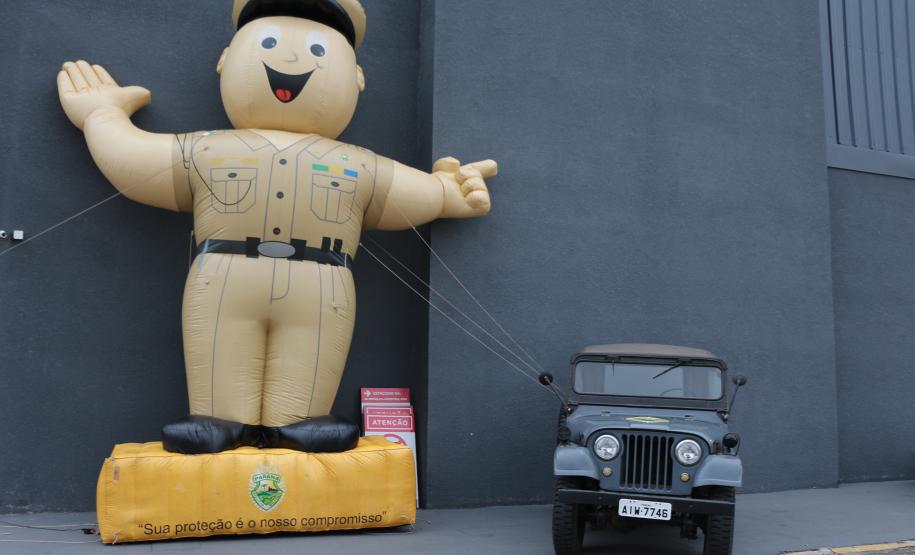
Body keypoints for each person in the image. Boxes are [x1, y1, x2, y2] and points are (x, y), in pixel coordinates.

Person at [57, 0, 497, 454]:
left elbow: (414, 193)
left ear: (357, 79)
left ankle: (299, 420)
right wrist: (101, 116)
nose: (292, 61)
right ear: (226, 60)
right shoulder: (206, 149)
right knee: (221, 358)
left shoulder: (359, 165)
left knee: (309, 361)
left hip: (321, 281)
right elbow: (134, 162)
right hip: (226, 276)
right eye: (268, 43)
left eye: (317, 51)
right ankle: (220, 418)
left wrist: (449, 192)